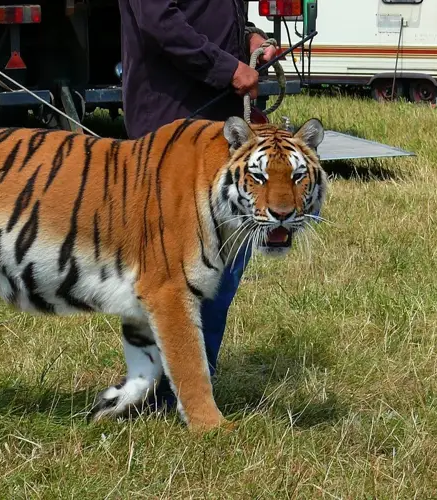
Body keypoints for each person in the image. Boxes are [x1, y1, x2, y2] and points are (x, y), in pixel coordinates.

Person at [116, 0, 277, 406]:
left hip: (214, 123)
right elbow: (158, 21)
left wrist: (250, 38)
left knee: (220, 265)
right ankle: (168, 390)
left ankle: (184, 382)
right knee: (178, 273)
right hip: (171, 121)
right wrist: (230, 69)